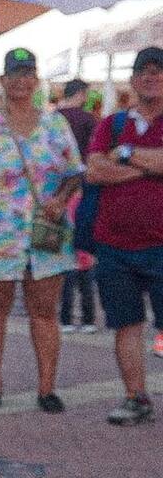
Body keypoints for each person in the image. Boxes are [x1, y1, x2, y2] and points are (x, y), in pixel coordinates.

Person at [0, 48, 84, 413]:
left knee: (44, 312)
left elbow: (75, 170)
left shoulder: (55, 125)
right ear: (3, 80)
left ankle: (47, 388)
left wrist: (61, 198)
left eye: (28, 74)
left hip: (45, 231)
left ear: (37, 80)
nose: (21, 82)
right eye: (15, 75)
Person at [84, 47, 163, 424]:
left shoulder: (120, 138)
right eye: (143, 71)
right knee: (126, 324)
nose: (151, 77)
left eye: (158, 71)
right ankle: (136, 398)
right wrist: (149, 167)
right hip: (113, 245)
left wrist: (127, 154)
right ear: (133, 80)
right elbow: (94, 171)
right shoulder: (111, 124)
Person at [56, 79, 99, 332]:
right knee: (83, 256)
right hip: (81, 191)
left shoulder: (52, 119)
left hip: (54, 192)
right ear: (82, 94)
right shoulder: (88, 120)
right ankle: (88, 318)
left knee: (63, 255)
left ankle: (64, 317)